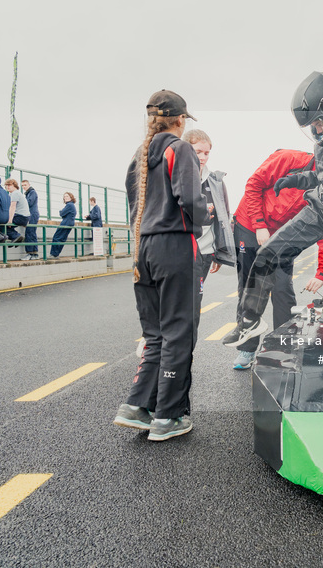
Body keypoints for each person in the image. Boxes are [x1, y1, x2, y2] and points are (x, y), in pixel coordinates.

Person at [226, 71, 323, 347]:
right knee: (268, 254)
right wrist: (297, 179)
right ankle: (249, 320)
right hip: (318, 209)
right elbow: (321, 176)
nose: (318, 130)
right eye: (312, 126)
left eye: (320, 123)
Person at [113, 89, 206, 442]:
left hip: (143, 247)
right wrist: (203, 218)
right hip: (174, 245)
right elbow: (189, 198)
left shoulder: (140, 154)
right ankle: (168, 416)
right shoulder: (179, 148)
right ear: (180, 120)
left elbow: (135, 204)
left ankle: (137, 406)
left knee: (155, 334)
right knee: (178, 331)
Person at [221, 148, 323, 369]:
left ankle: (282, 348)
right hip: (249, 224)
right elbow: (253, 185)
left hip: (283, 234)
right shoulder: (289, 159)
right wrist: (260, 225)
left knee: (282, 288)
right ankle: (246, 349)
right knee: (249, 286)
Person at [181, 129, 236, 345]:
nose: (202, 157)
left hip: (203, 253)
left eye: (207, 153)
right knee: (174, 305)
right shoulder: (177, 177)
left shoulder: (215, 181)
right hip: (179, 251)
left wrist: (218, 253)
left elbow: (223, 218)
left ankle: (185, 354)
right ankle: (163, 352)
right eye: (198, 152)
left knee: (194, 304)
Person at [48, 192, 77, 258]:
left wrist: (61, 212)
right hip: (69, 223)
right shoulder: (71, 205)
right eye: (64, 197)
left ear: (71, 197)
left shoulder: (69, 205)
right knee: (61, 239)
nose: (65, 198)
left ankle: (54, 254)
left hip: (66, 223)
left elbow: (61, 213)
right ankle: (56, 254)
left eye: (67, 196)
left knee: (56, 237)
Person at [4, 178, 29, 250]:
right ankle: (17, 239)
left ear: (14, 185)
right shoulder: (16, 193)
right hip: (24, 217)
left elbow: (12, 207)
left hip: (21, 217)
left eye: (9, 185)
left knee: (2, 225)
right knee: (5, 226)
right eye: (6, 185)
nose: (8, 187)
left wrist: (10, 220)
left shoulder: (15, 193)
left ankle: (16, 237)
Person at [21, 180, 40, 260]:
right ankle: (34, 253)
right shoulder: (29, 193)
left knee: (29, 233)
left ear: (29, 185)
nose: (24, 187)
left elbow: (28, 203)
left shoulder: (32, 192)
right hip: (32, 214)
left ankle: (29, 253)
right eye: (22, 185)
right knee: (32, 233)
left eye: (25, 185)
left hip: (32, 215)